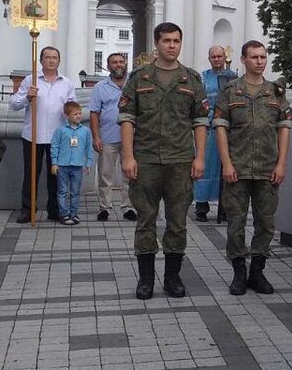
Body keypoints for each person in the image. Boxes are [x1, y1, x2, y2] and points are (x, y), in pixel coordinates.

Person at [119, 22, 209, 300]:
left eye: (176, 41)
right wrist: (128, 156)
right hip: (145, 161)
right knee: (145, 220)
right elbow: (127, 119)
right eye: (167, 40)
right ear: (156, 43)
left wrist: (200, 157)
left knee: (177, 222)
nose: (172, 45)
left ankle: (172, 278)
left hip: (180, 161)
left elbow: (200, 122)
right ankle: (146, 280)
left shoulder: (191, 79)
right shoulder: (139, 78)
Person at [214, 41, 292, 295]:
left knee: (266, 222)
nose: (260, 61)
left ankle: (257, 271)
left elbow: (284, 130)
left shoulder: (276, 93)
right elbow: (221, 129)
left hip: (267, 168)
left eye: (263, 57)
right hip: (237, 166)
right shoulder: (230, 91)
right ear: (243, 60)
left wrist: (281, 163)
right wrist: (226, 162)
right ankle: (239, 271)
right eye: (254, 57)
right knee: (235, 222)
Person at [8, 46, 77, 223]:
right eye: (47, 57)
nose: (51, 60)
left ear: (59, 61)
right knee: (31, 173)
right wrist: (27, 97)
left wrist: (69, 112)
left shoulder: (67, 83)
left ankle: (55, 209)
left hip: (58, 136)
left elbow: (73, 105)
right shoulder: (31, 80)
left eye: (55, 57)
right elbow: (13, 104)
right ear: (41, 60)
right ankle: (28, 208)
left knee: (56, 175)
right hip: (33, 135)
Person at [88, 52, 135, 222]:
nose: (118, 65)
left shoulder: (134, 83)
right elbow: (94, 113)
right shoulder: (100, 87)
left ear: (125, 64)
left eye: (121, 61)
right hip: (108, 136)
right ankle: (105, 207)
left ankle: (128, 207)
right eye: (114, 62)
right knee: (105, 174)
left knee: (129, 175)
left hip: (131, 138)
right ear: (108, 66)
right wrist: (96, 137)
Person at [194, 46, 238, 222]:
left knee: (226, 167)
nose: (217, 59)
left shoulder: (233, 78)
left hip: (229, 130)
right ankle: (201, 207)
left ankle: (225, 207)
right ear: (209, 58)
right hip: (209, 129)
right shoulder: (203, 78)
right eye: (214, 57)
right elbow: (200, 102)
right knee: (206, 166)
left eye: (220, 56)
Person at [50, 101, 95, 225]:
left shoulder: (85, 131)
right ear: (66, 115)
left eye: (80, 113)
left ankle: (74, 213)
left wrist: (89, 163)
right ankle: (63, 214)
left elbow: (88, 147)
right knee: (62, 190)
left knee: (75, 191)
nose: (79, 116)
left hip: (77, 166)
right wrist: (54, 162)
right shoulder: (60, 131)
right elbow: (55, 146)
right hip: (63, 165)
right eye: (75, 114)